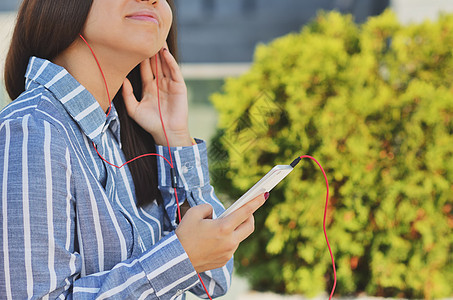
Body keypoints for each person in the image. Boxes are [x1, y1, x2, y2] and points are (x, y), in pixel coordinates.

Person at [0, 0, 268, 299]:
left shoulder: (120, 136)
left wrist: (175, 138)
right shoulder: (33, 129)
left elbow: (213, 280)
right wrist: (181, 259)